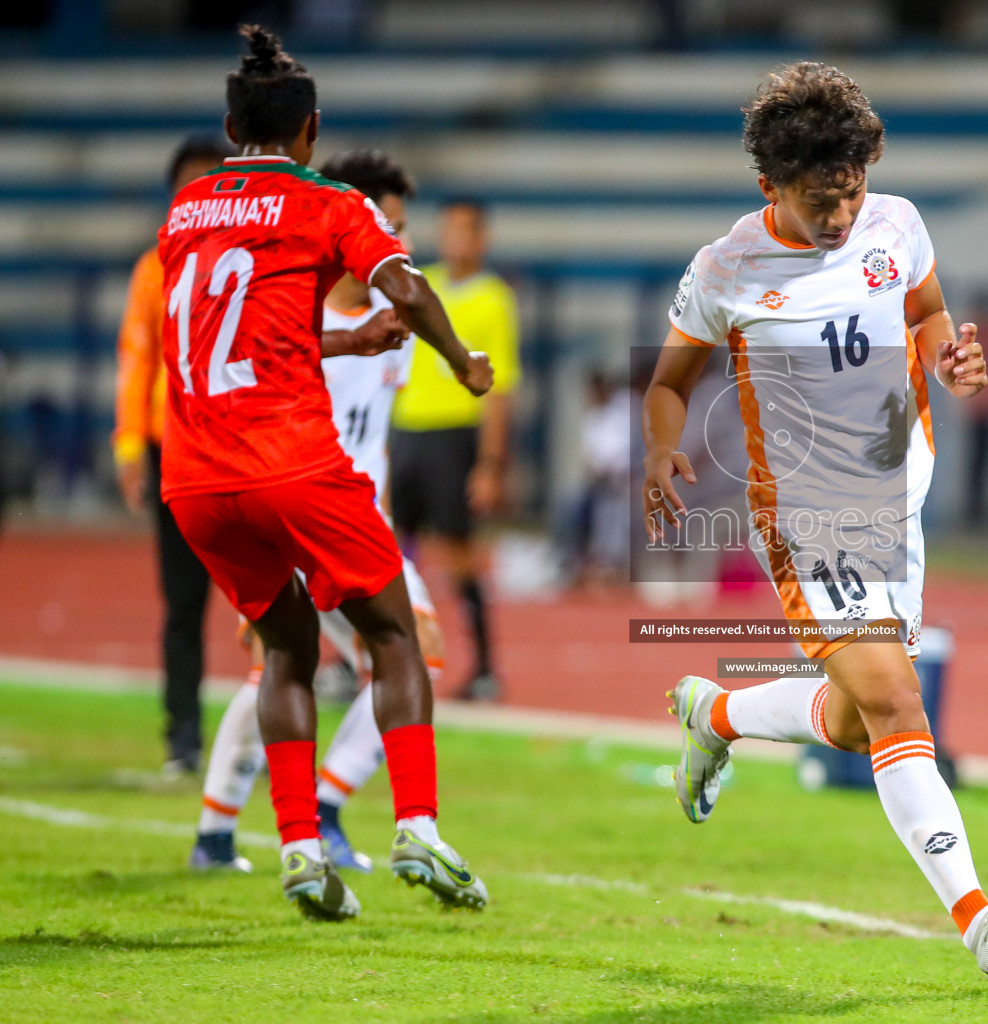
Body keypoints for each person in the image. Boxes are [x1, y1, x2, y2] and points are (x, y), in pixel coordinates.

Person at [642, 62, 988, 988]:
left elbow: (927, 308)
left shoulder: (897, 223)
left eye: (851, 192)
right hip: (807, 515)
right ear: (769, 188)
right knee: (902, 704)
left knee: (861, 718)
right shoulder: (724, 269)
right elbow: (670, 383)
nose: (840, 215)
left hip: (900, 497)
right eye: (818, 199)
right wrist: (661, 449)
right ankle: (980, 922)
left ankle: (716, 714)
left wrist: (951, 359)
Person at [158, 25, 492, 920]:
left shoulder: (183, 216)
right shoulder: (326, 200)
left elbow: (231, 336)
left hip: (194, 477)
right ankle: (416, 824)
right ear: (310, 130)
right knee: (396, 637)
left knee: (289, 652)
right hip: (293, 461)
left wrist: (343, 338)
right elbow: (410, 287)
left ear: (232, 130)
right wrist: (458, 361)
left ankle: (300, 850)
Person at [190, 149, 447, 875]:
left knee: (355, 657)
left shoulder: (393, 326)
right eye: (388, 226)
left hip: (360, 516)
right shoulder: (290, 320)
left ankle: (236, 827)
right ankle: (291, 818)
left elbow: (378, 443)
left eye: (402, 228)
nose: (400, 244)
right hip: (300, 509)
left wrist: (391, 535)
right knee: (314, 658)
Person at [114, 132, 234, 777]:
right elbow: (135, 361)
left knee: (265, 603)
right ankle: (183, 734)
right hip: (177, 449)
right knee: (183, 601)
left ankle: (262, 736)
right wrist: (130, 444)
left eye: (206, 180)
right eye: (186, 183)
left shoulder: (250, 258)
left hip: (242, 445)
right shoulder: (154, 268)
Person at [389, 198, 519, 701]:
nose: (456, 240)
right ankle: (367, 661)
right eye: (449, 231)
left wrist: (489, 464)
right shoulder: (423, 286)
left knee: (460, 556)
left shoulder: (493, 299)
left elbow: (501, 388)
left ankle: (485, 668)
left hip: (454, 436)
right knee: (388, 554)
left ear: (481, 239)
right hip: (407, 432)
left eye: (466, 231)